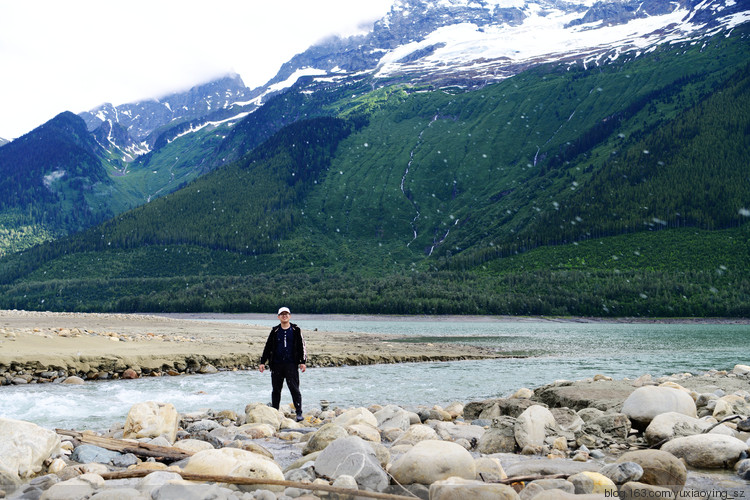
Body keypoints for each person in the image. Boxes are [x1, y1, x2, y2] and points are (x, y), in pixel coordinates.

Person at [259, 307, 307, 421]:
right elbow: (268, 346)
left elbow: (302, 346)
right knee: (276, 390)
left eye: (286, 314)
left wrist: (303, 362)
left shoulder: (296, 330)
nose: (284, 316)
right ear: (278, 317)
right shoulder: (275, 331)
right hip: (276, 365)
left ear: (290, 316)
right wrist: (262, 362)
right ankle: (275, 412)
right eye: (282, 314)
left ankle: (299, 413)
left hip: (291, 364)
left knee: (294, 389)